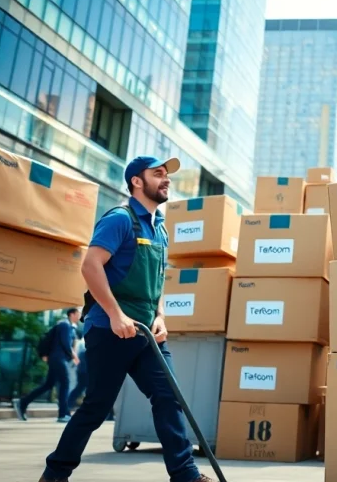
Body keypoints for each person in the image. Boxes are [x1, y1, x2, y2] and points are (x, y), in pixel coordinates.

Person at [35, 156, 215, 482]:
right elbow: (91, 265)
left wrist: (160, 316)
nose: (166, 180)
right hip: (110, 330)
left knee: (168, 397)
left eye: (167, 175)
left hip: (147, 333)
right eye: (157, 174)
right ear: (136, 181)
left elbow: (157, 282)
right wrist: (116, 315)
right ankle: (54, 474)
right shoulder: (120, 219)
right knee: (96, 408)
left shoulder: (160, 228)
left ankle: (185, 475)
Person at [14, 308, 80, 423]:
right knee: (65, 383)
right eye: (78, 314)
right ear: (72, 314)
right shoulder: (64, 325)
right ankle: (63, 414)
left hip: (56, 358)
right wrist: (74, 356)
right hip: (59, 359)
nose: (79, 316)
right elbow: (65, 343)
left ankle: (23, 402)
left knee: (48, 384)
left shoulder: (68, 327)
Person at [66, 334, 87, 410]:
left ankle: (69, 404)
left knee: (80, 387)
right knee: (81, 388)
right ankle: (69, 404)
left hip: (81, 369)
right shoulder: (85, 342)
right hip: (86, 369)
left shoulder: (81, 342)